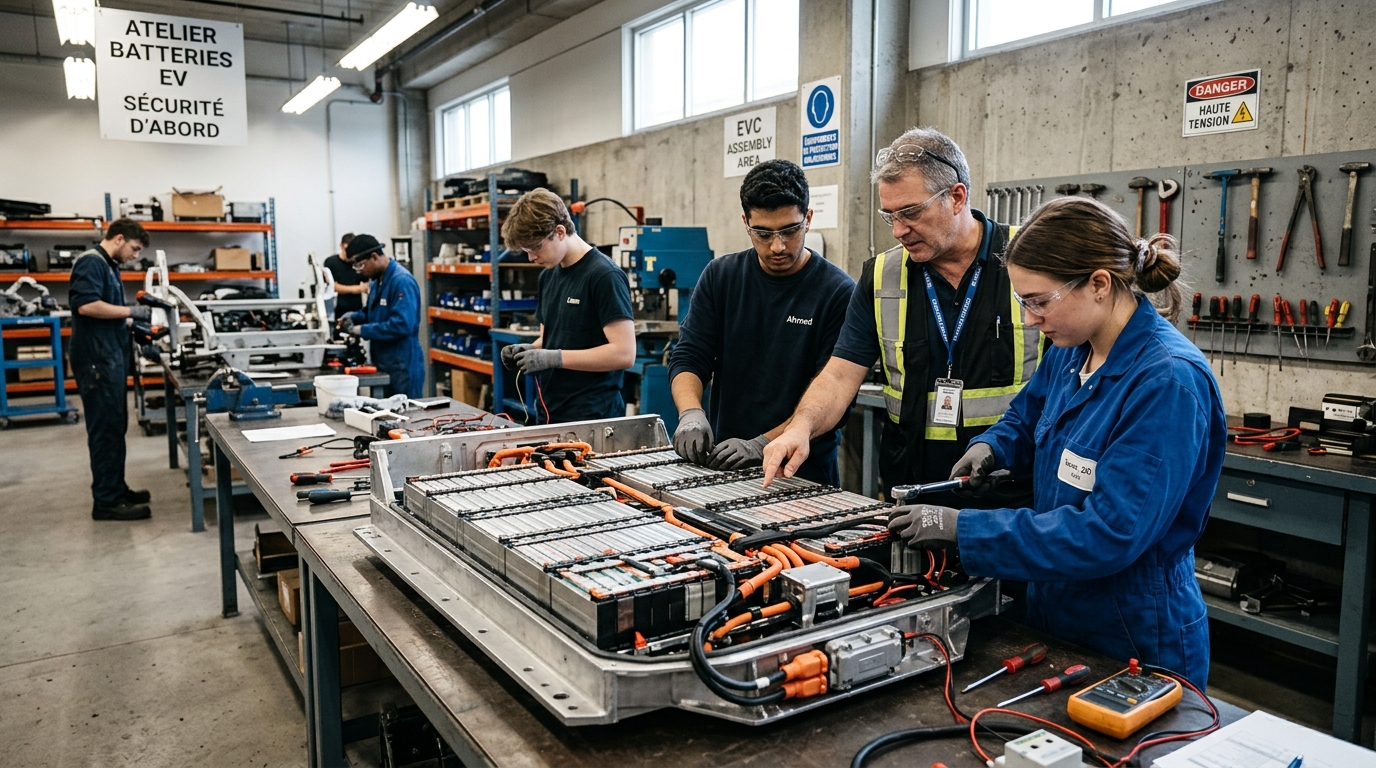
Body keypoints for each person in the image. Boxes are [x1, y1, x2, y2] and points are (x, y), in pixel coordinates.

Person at [887, 197, 1225, 685]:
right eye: (1023, 301)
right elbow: (1027, 416)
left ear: (1099, 285)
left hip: (1133, 634)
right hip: (1058, 607)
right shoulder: (1073, 352)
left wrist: (965, 530)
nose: (1028, 319)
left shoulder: (1167, 382)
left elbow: (1109, 533)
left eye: (1038, 301)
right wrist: (994, 446)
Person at [762, 127, 1041, 509]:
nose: (898, 231)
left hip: (1014, 490)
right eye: (889, 215)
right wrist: (801, 427)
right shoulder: (881, 277)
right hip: (913, 490)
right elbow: (840, 374)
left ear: (956, 197)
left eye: (910, 212)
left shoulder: (1029, 261)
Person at [668, 159, 854, 484]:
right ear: (746, 223)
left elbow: (835, 395)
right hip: (723, 462)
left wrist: (763, 443)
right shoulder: (721, 277)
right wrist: (691, 414)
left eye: (790, 230)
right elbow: (690, 356)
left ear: (808, 218)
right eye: (763, 233)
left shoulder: (837, 292)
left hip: (801, 473)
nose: (777, 246)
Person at [498, 188, 635, 424]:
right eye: (526, 251)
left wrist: (554, 358)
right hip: (549, 412)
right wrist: (528, 350)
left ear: (559, 231)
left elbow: (624, 353)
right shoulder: (548, 276)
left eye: (535, 248)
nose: (531, 258)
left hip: (592, 417)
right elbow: (550, 339)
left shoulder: (603, 276)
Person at [69, 218, 154, 520]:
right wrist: (132, 310)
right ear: (119, 239)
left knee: (115, 427)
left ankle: (116, 488)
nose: (136, 256)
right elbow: (87, 306)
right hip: (96, 361)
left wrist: (132, 323)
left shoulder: (110, 265)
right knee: (105, 430)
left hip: (109, 359)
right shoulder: (92, 263)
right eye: (134, 248)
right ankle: (106, 501)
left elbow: (109, 311)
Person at [338, 234, 425, 399]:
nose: (360, 272)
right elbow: (371, 312)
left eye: (360, 266)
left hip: (402, 365)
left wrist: (362, 330)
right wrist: (353, 317)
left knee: (407, 417)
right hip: (383, 362)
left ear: (374, 257)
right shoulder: (376, 280)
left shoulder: (401, 281)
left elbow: (401, 325)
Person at [324, 233, 366, 318]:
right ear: (341, 245)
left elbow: (368, 285)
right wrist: (357, 289)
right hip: (335, 311)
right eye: (347, 249)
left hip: (356, 310)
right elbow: (331, 287)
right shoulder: (331, 262)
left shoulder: (358, 263)